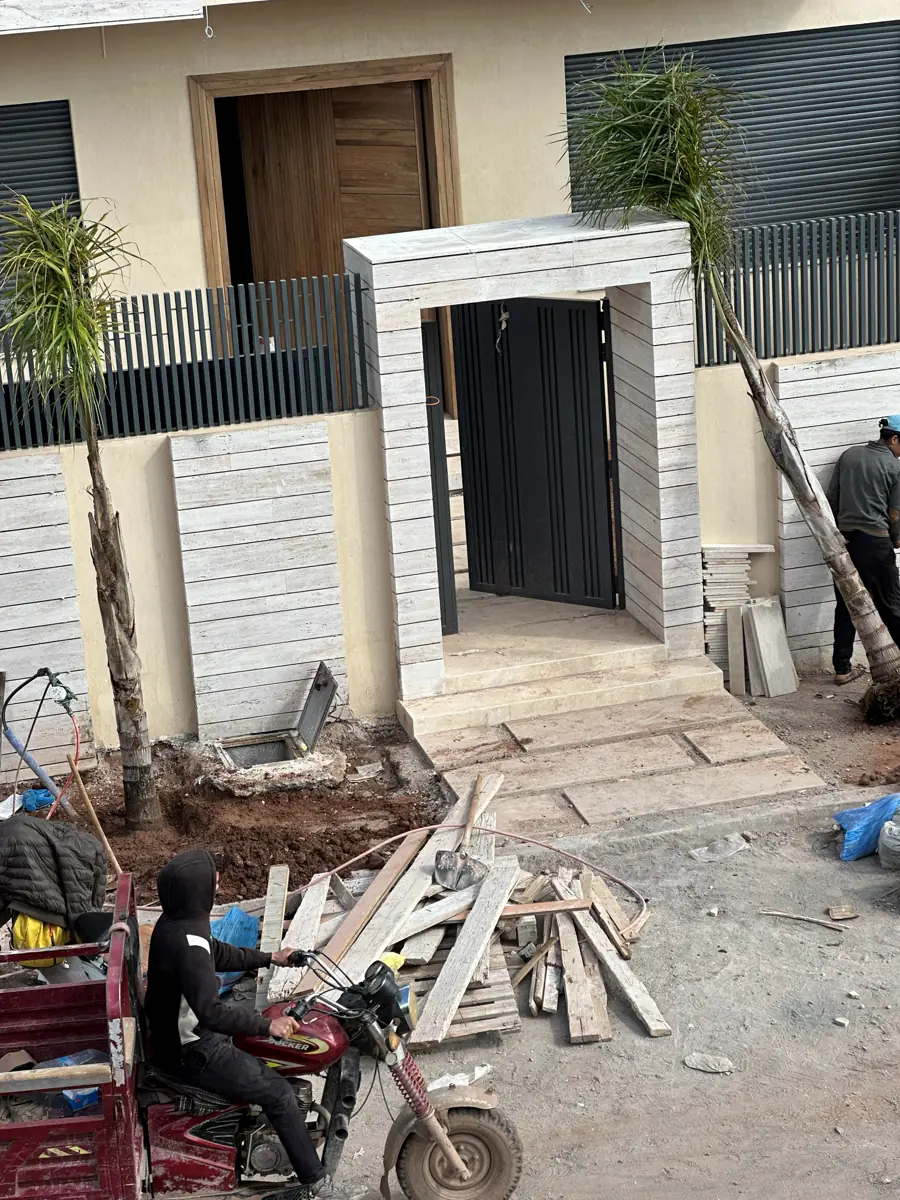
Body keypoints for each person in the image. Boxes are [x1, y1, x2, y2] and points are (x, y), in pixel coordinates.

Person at [144, 849, 325, 1199]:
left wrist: (270, 958)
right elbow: (211, 1012)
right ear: (199, 891)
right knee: (279, 1093)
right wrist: (266, 1025)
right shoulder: (188, 945)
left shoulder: (177, 923)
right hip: (194, 1049)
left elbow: (218, 952)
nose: (218, 883)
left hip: (183, 1035)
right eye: (213, 880)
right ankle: (313, 1183)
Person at [827, 416, 900, 685]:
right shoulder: (894, 466)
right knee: (891, 603)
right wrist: (895, 540)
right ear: (894, 439)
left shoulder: (849, 456)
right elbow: (894, 513)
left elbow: (832, 496)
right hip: (876, 543)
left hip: (845, 541)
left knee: (846, 604)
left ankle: (842, 669)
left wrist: (840, 531)